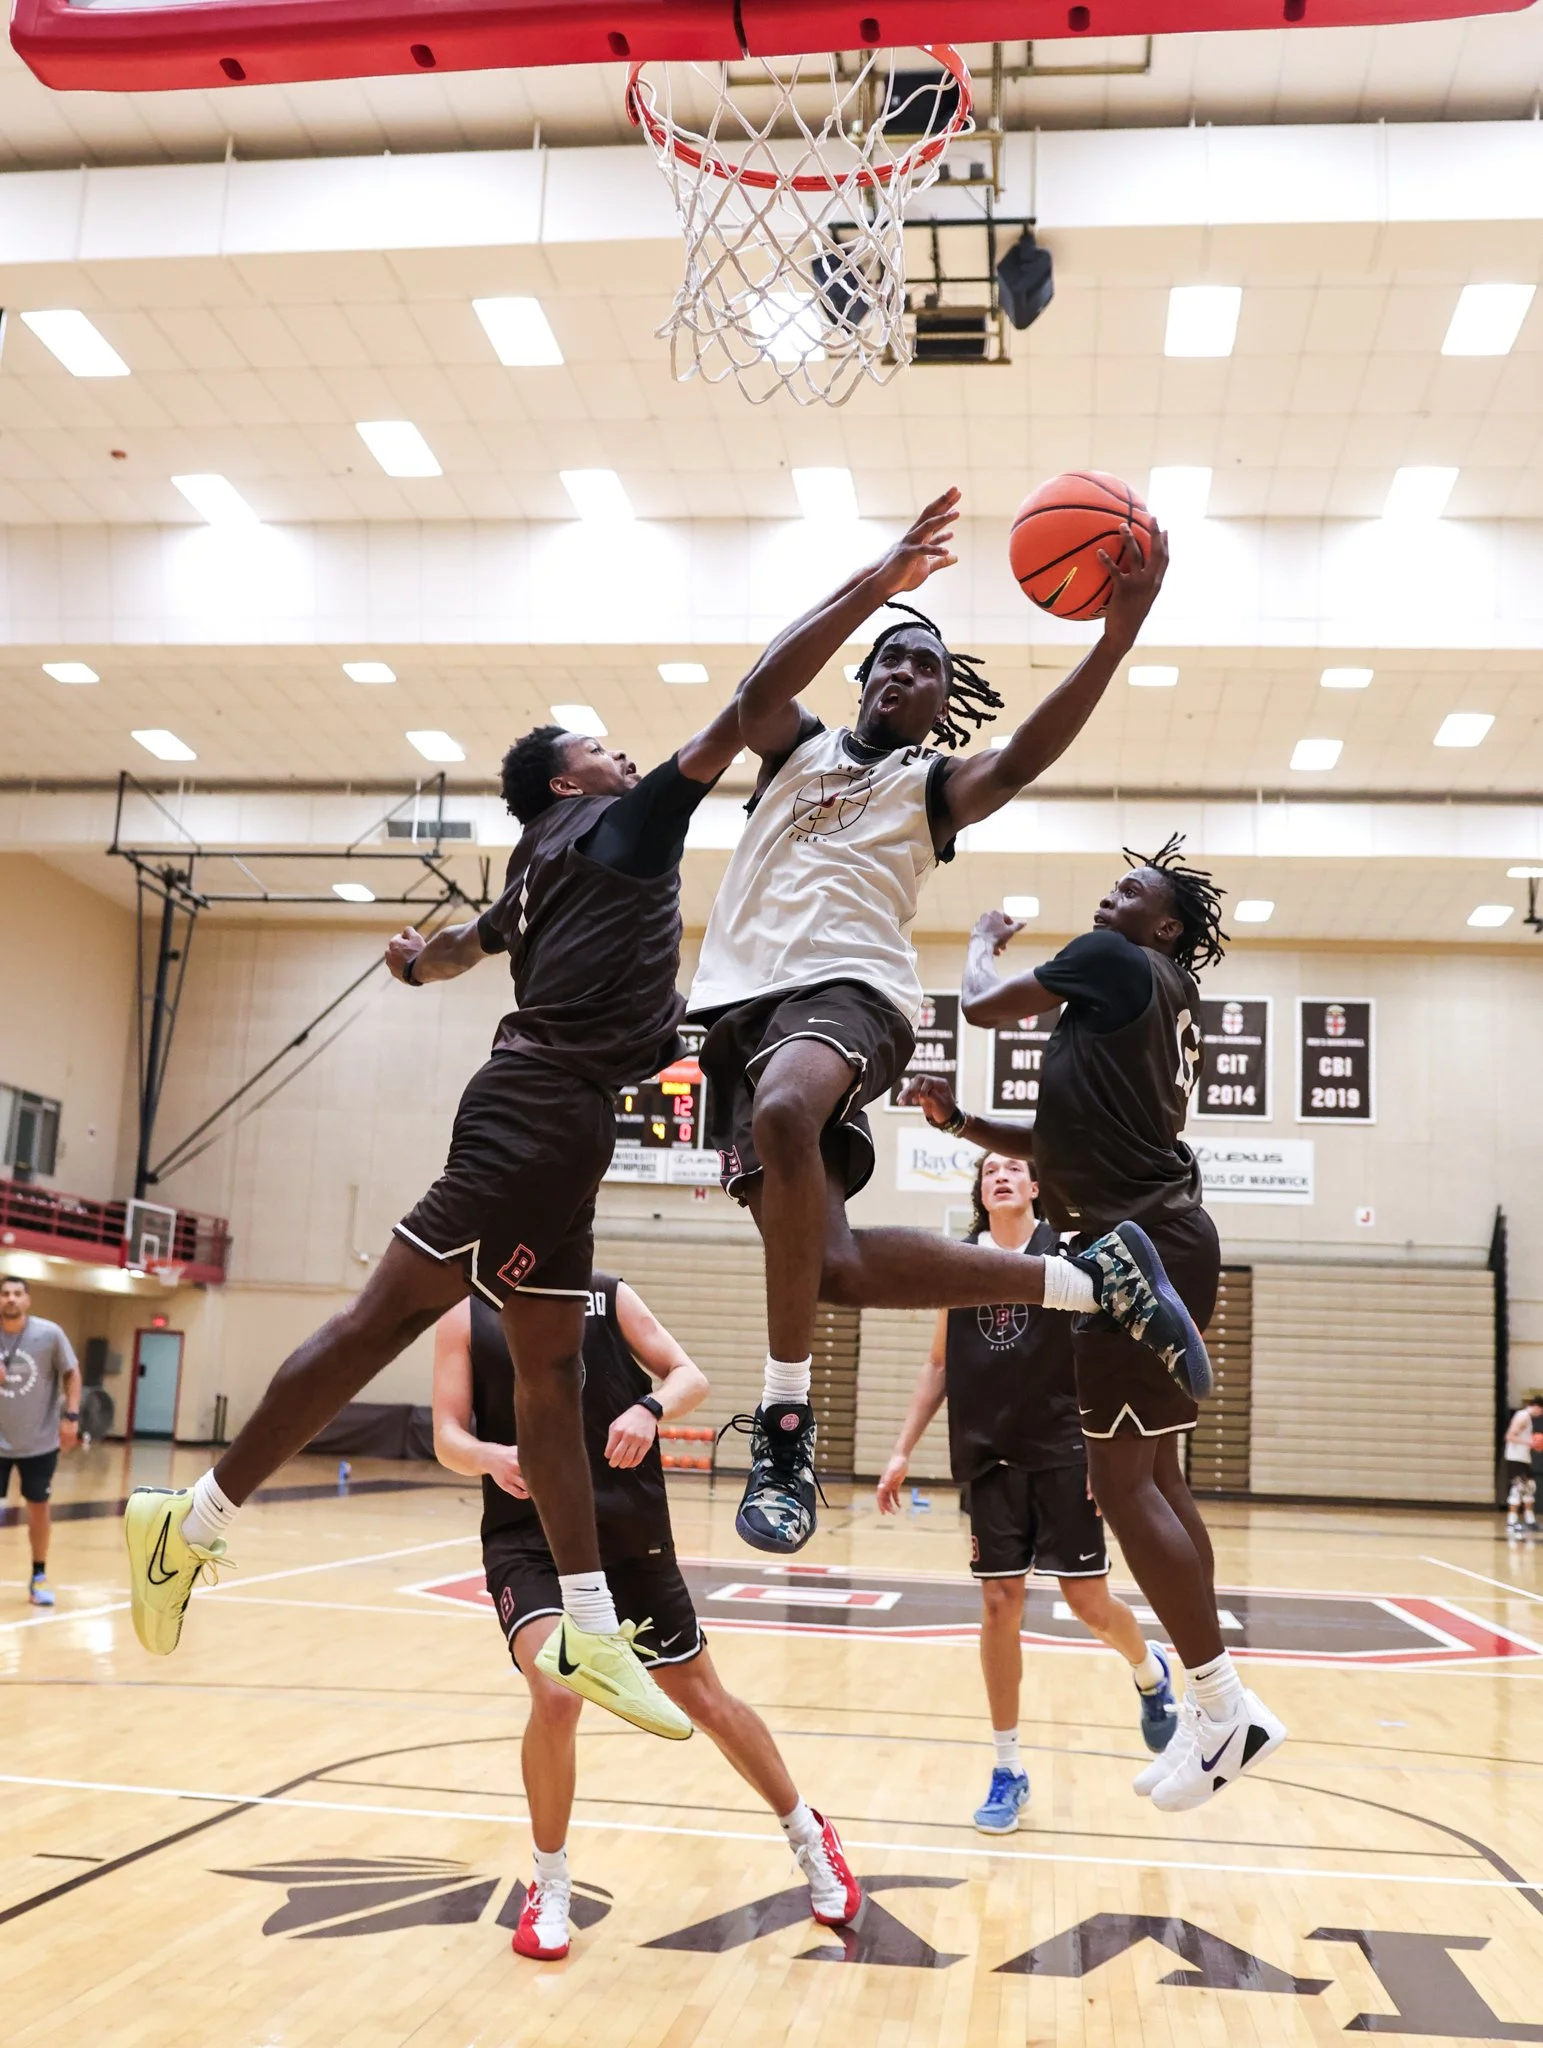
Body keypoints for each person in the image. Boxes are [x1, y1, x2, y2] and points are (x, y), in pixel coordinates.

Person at [124, 690, 749, 1744]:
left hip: (569, 1126)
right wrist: (875, 582)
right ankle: (189, 1522)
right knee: (381, 1322)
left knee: (550, 1374)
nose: (623, 752)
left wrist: (417, 964)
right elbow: (750, 708)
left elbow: (468, 939)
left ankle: (592, 1625)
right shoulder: (619, 823)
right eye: (599, 746)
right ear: (566, 780)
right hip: (532, 1120)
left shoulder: (539, 866)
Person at [686, 486, 1208, 1558]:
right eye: (890, 657)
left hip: (850, 995)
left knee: (790, 1108)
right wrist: (876, 588)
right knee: (830, 1266)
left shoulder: (929, 786)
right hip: (740, 1012)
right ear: (865, 677)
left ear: (941, 702)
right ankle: (1083, 1278)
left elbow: (1019, 758)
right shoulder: (795, 752)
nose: (903, 672)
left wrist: (1119, 634)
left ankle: (783, 1419)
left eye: (926, 665)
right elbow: (753, 693)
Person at [902, 837, 1285, 1814]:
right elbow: (1059, 1140)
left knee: (1121, 1483)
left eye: (1131, 888)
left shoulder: (1112, 960)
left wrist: (981, 941)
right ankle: (1216, 1709)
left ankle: (1220, 1703)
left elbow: (985, 1003)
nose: (1108, 894)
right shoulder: (1146, 996)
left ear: (1163, 924)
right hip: (1161, 1233)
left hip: (1128, 1251)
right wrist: (961, 1126)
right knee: (1153, 1473)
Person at [432, 1279, 861, 1959]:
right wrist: (488, 1456)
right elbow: (447, 1437)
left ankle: (809, 1833)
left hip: (627, 1535)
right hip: (528, 1536)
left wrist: (647, 1407)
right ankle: (549, 1883)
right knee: (556, 1689)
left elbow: (689, 1375)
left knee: (704, 1700)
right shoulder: (467, 1314)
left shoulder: (604, 1295)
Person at [875, 1152, 1177, 1833]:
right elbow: (936, 1366)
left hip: (1065, 1451)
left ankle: (1149, 1667)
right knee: (997, 1601)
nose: (1000, 1176)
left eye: (1012, 1168)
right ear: (981, 1193)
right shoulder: (956, 1267)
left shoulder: (1069, 1256)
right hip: (988, 1456)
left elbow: (1114, 1359)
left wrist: (1112, 1459)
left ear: (1036, 1187)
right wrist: (900, 1449)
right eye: (988, 1172)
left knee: (1087, 1602)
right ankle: (1007, 1767)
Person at [0, 1275, 80, 1607]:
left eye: (18, 1294)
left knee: (38, 1507)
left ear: (28, 1300)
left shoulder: (49, 1334)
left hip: (39, 1440)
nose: (11, 1299)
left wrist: (71, 1416)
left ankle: (39, 1575)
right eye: (5, 1294)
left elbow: (71, 1372)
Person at [1503, 1396, 1538, 1538]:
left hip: (1522, 1458)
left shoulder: (1526, 1417)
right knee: (1517, 1489)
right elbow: (1510, 1436)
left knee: (1529, 1487)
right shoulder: (1523, 1417)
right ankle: (1511, 1522)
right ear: (1537, 1407)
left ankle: (1530, 1520)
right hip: (1515, 1458)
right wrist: (1529, 1442)